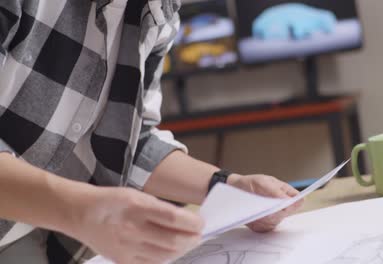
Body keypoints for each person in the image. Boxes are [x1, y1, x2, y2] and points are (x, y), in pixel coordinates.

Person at [0, 0, 304, 263]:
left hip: (31, 228)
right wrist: (81, 210)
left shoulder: (157, 14)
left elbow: (133, 141)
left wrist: (228, 186)